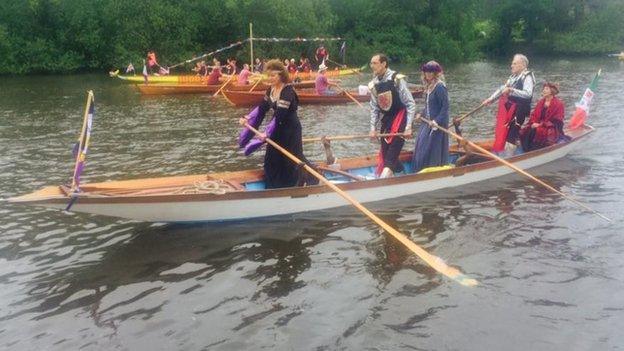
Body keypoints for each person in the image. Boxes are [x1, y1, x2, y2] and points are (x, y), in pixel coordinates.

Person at [238, 59, 314, 189]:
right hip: (277, 128)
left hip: (290, 130)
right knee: (271, 159)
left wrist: (266, 133)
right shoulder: (271, 90)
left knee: (291, 159)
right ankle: (274, 188)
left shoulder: (287, 91)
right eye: (269, 75)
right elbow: (262, 109)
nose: (271, 78)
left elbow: (280, 115)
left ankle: (306, 181)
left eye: (274, 75)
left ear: (281, 75)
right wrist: (247, 117)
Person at [368, 53, 416, 178]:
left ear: (383, 64)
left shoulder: (397, 79)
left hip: (400, 119)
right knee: (385, 155)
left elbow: (410, 104)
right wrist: (373, 129)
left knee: (390, 158)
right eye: (371, 63)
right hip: (387, 120)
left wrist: (408, 127)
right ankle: (401, 174)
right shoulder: (373, 85)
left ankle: (383, 182)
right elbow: (374, 109)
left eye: (375, 63)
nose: (372, 66)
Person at [483, 54, 535, 153]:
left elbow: (528, 94)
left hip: (520, 110)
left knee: (512, 134)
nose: (512, 66)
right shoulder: (513, 77)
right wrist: (490, 99)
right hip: (510, 109)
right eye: (512, 63)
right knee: (506, 133)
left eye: (514, 63)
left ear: (523, 65)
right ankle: (516, 149)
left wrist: (511, 90)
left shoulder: (527, 76)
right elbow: (502, 89)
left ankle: (508, 157)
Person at [412, 61, 449, 173]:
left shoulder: (439, 87)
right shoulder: (429, 86)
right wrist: (421, 115)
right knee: (420, 145)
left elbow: (445, 107)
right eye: (426, 71)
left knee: (431, 148)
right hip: (427, 123)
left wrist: (436, 121)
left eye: (431, 72)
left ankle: (434, 170)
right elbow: (428, 106)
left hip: (437, 124)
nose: (428, 74)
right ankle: (420, 170)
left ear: (435, 73)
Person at [519, 82, 566, 151]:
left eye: (546, 89)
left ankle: (534, 151)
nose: (543, 90)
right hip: (538, 124)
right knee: (526, 129)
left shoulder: (559, 104)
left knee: (537, 131)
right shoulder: (541, 102)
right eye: (543, 89)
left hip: (550, 127)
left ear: (552, 91)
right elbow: (534, 115)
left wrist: (540, 125)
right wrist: (533, 123)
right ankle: (526, 150)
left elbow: (557, 120)